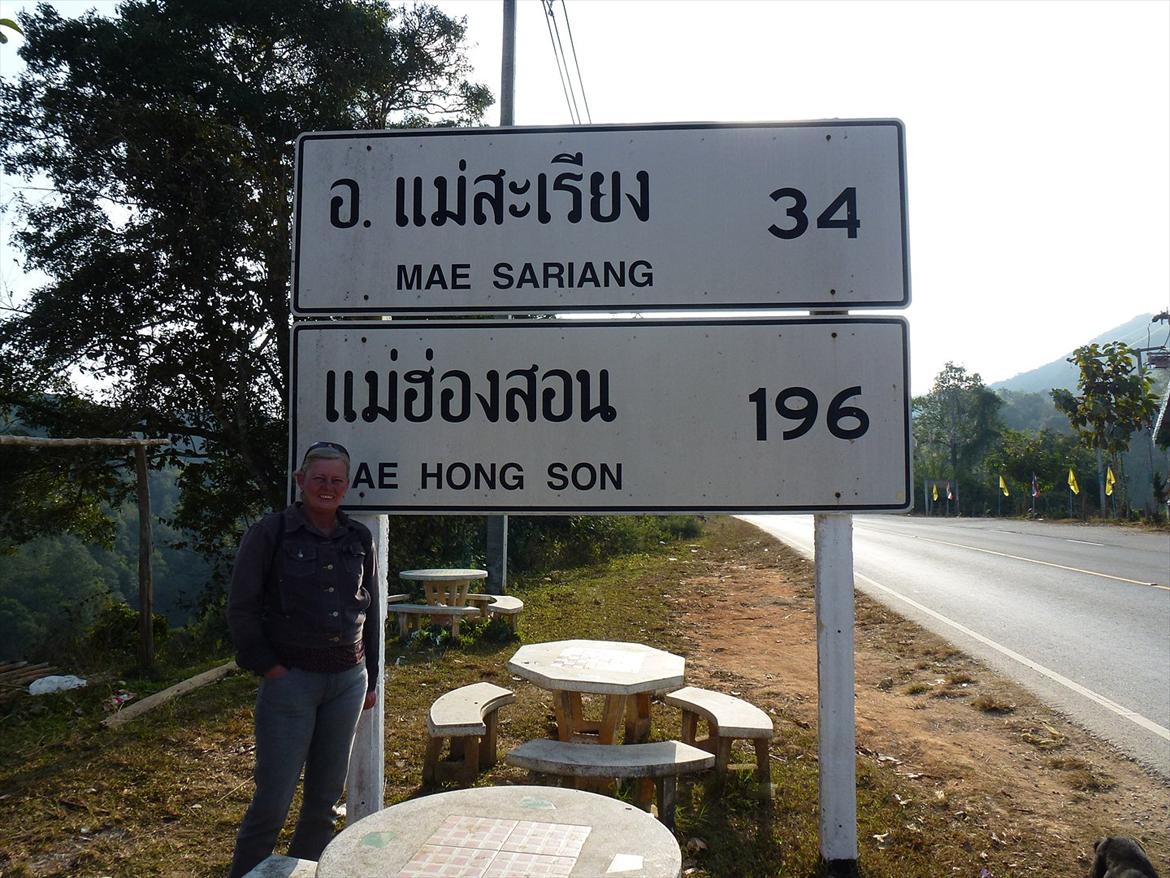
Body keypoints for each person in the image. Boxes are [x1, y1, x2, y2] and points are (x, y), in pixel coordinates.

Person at [227, 441, 378, 877]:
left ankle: (303, 870)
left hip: (348, 682)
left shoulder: (359, 538)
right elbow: (241, 607)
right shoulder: (270, 533)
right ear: (300, 482)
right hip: (290, 682)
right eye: (319, 479)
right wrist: (269, 667)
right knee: (272, 801)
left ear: (346, 486)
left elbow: (370, 611)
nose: (327, 488)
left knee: (325, 802)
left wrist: (370, 677)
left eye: (336, 481)